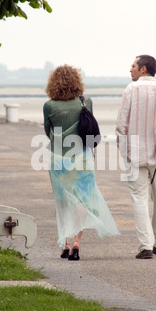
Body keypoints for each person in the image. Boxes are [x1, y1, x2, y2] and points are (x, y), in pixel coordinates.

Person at [43, 64, 120, 260]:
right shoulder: (86, 102)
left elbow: (48, 132)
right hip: (83, 156)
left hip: (58, 158)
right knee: (83, 200)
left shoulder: (49, 106)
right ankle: (77, 242)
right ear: (77, 81)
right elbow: (89, 129)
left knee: (63, 200)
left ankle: (65, 243)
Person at [116, 55, 156, 259]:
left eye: (133, 66)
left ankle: (145, 246)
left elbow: (122, 125)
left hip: (136, 153)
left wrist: (124, 154)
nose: (130, 69)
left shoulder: (132, 89)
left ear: (143, 69)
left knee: (139, 199)